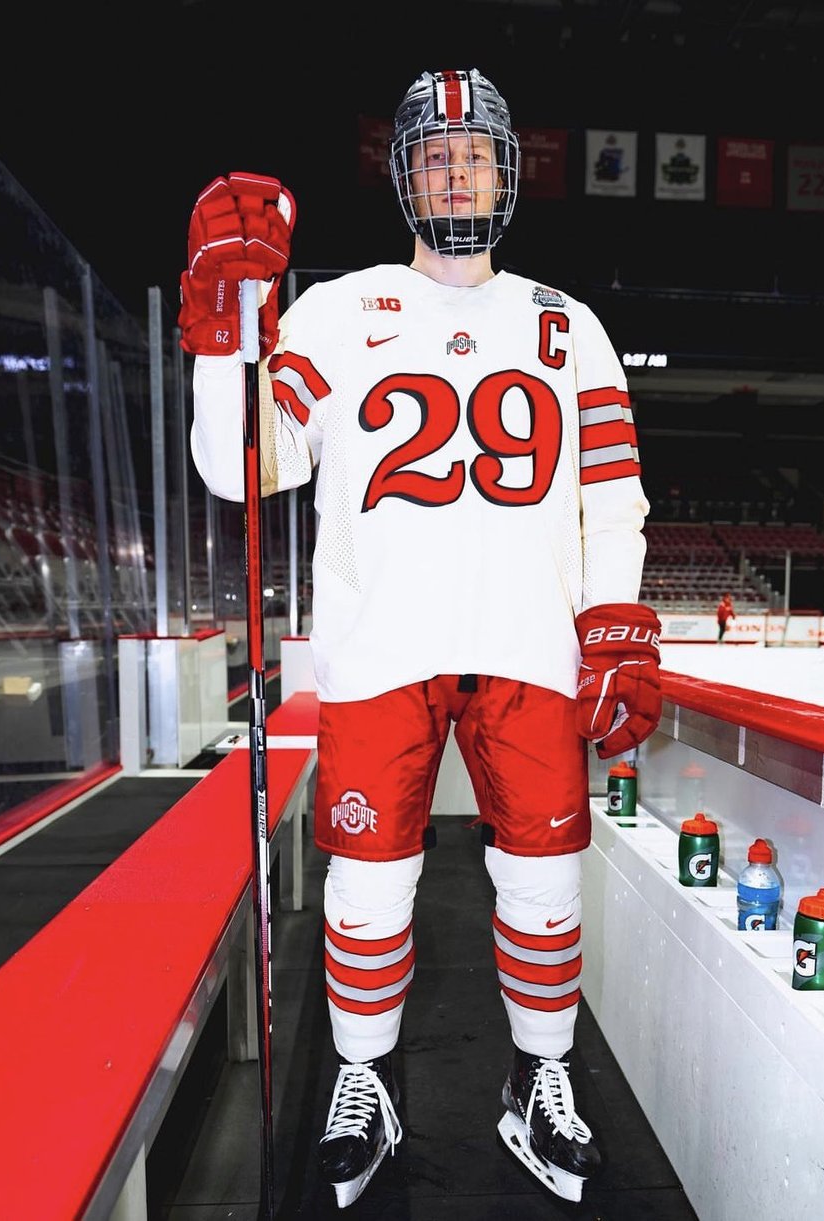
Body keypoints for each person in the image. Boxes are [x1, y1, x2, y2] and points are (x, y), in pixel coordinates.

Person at [180, 68, 662, 1209]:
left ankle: (539, 1082)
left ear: (508, 171)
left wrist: (619, 627)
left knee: (544, 889)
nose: (458, 170)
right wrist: (216, 339)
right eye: (436, 155)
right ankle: (366, 1081)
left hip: (531, 645)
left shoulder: (566, 322)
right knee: (368, 888)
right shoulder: (337, 311)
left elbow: (611, 491)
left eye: (475, 153)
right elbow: (241, 466)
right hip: (379, 644)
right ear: (404, 175)